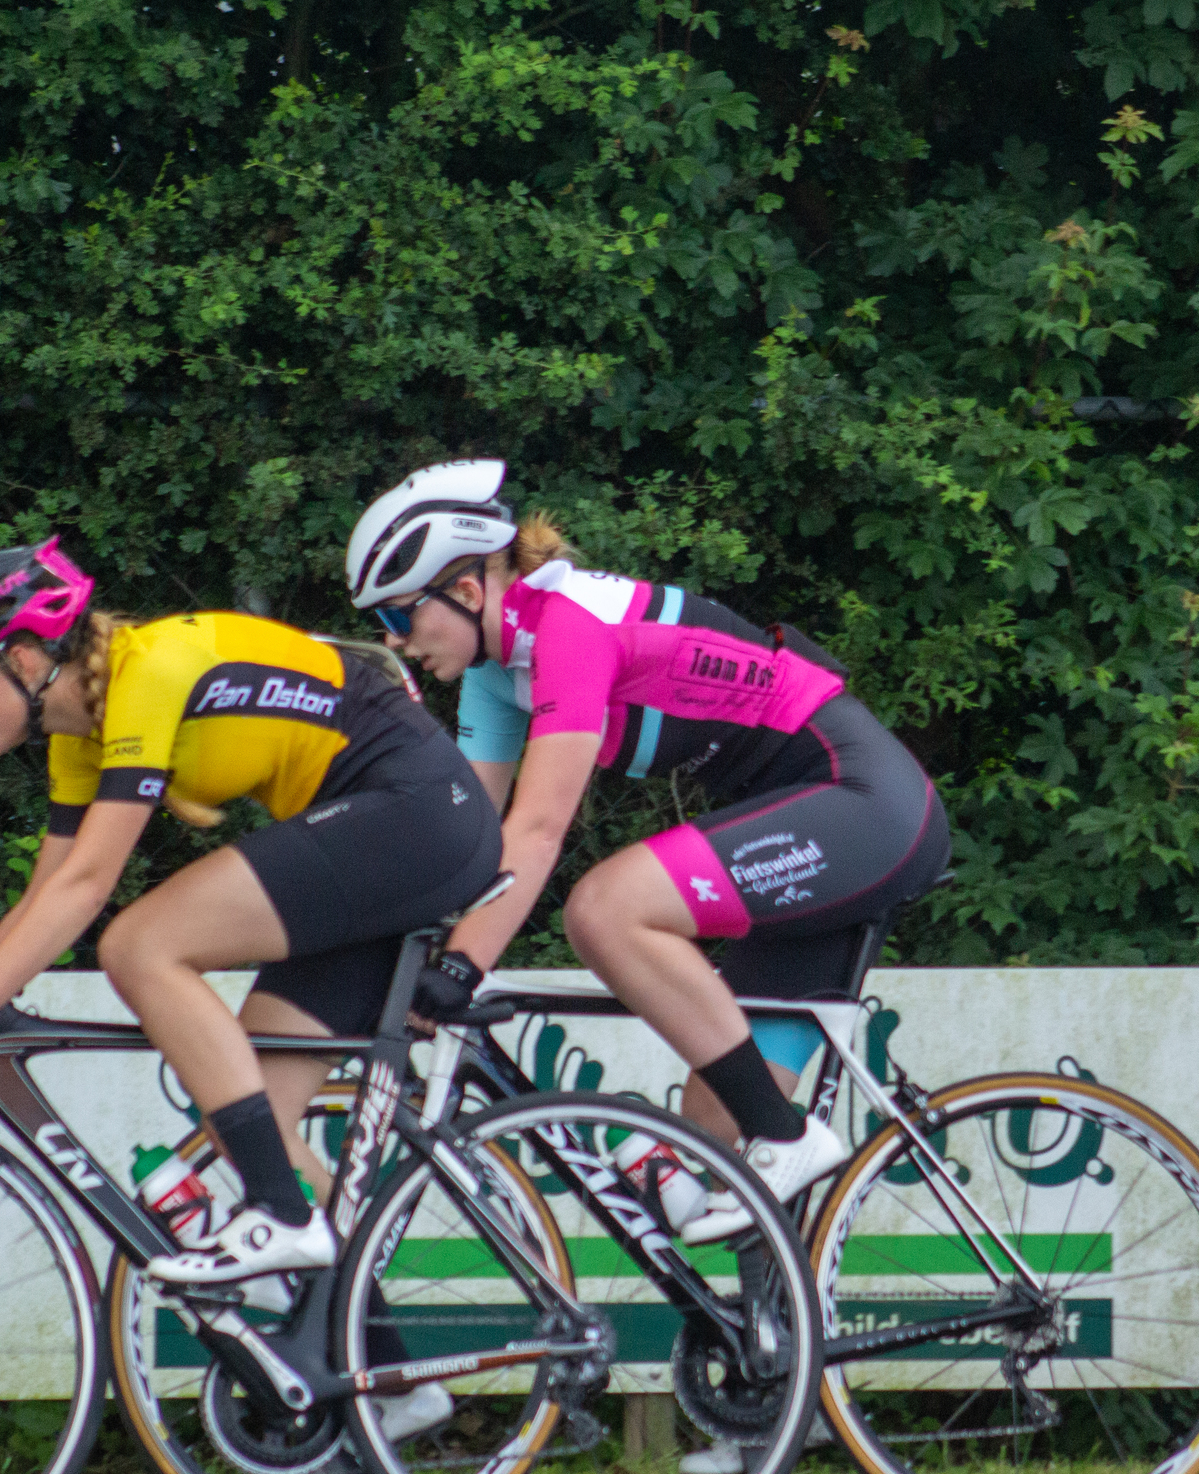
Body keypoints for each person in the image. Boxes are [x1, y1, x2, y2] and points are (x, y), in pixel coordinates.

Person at [343, 459, 951, 1244]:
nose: (394, 642)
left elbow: (537, 832)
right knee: (708, 1142)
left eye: (397, 616)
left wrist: (461, 968)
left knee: (605, 908)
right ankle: (768, 1350)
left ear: (464, 592)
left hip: (863, 802)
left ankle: (792, 1138)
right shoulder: (499, 678)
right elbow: (469, 837)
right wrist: (390, 943)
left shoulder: (567, 628)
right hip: (799, 821)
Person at [0, 539, 501, 1317]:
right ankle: (382, 1378)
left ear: (20, 657)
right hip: (387, 839)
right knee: (245, 1128)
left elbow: (88, 890)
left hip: (416, 815)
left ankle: (281, 1218)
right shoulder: (82, 733)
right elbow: (47, 895)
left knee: (141, 945)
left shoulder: (150, 675)